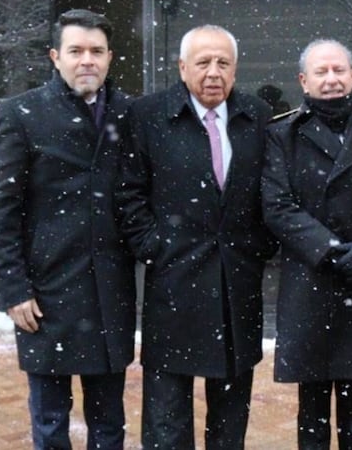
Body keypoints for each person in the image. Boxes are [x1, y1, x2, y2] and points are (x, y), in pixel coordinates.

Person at [115, 24, 276, 450]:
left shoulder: (257, 116)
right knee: (167, 418)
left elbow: (274, 190)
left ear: (235, 69)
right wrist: (154, 246)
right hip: (174, 282)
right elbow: (128, 194)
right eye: (203, 62)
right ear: (182, 67)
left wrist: (259, 247)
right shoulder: (148, 116)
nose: (213, 72)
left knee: (230, 416)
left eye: (223, 63)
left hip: (236, 283)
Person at [0, 8, 135, 449]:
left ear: (109, 57)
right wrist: (14, 288)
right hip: (46, 292)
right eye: (76, 51)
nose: (87, 60)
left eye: (96, 51)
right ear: (55, 56)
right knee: (51, 423)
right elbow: (3, 209)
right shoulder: (22, 113)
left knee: (109, 423)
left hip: (110, 291)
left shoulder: (130, 113)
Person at [262, 39, 352, 449]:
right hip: (311, 278)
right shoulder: (282, 134)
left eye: (339, 70)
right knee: (311, 402)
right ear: (303, 80)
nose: (331, 79)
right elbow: (277, 206)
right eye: (321, 72)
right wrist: (328, 249)